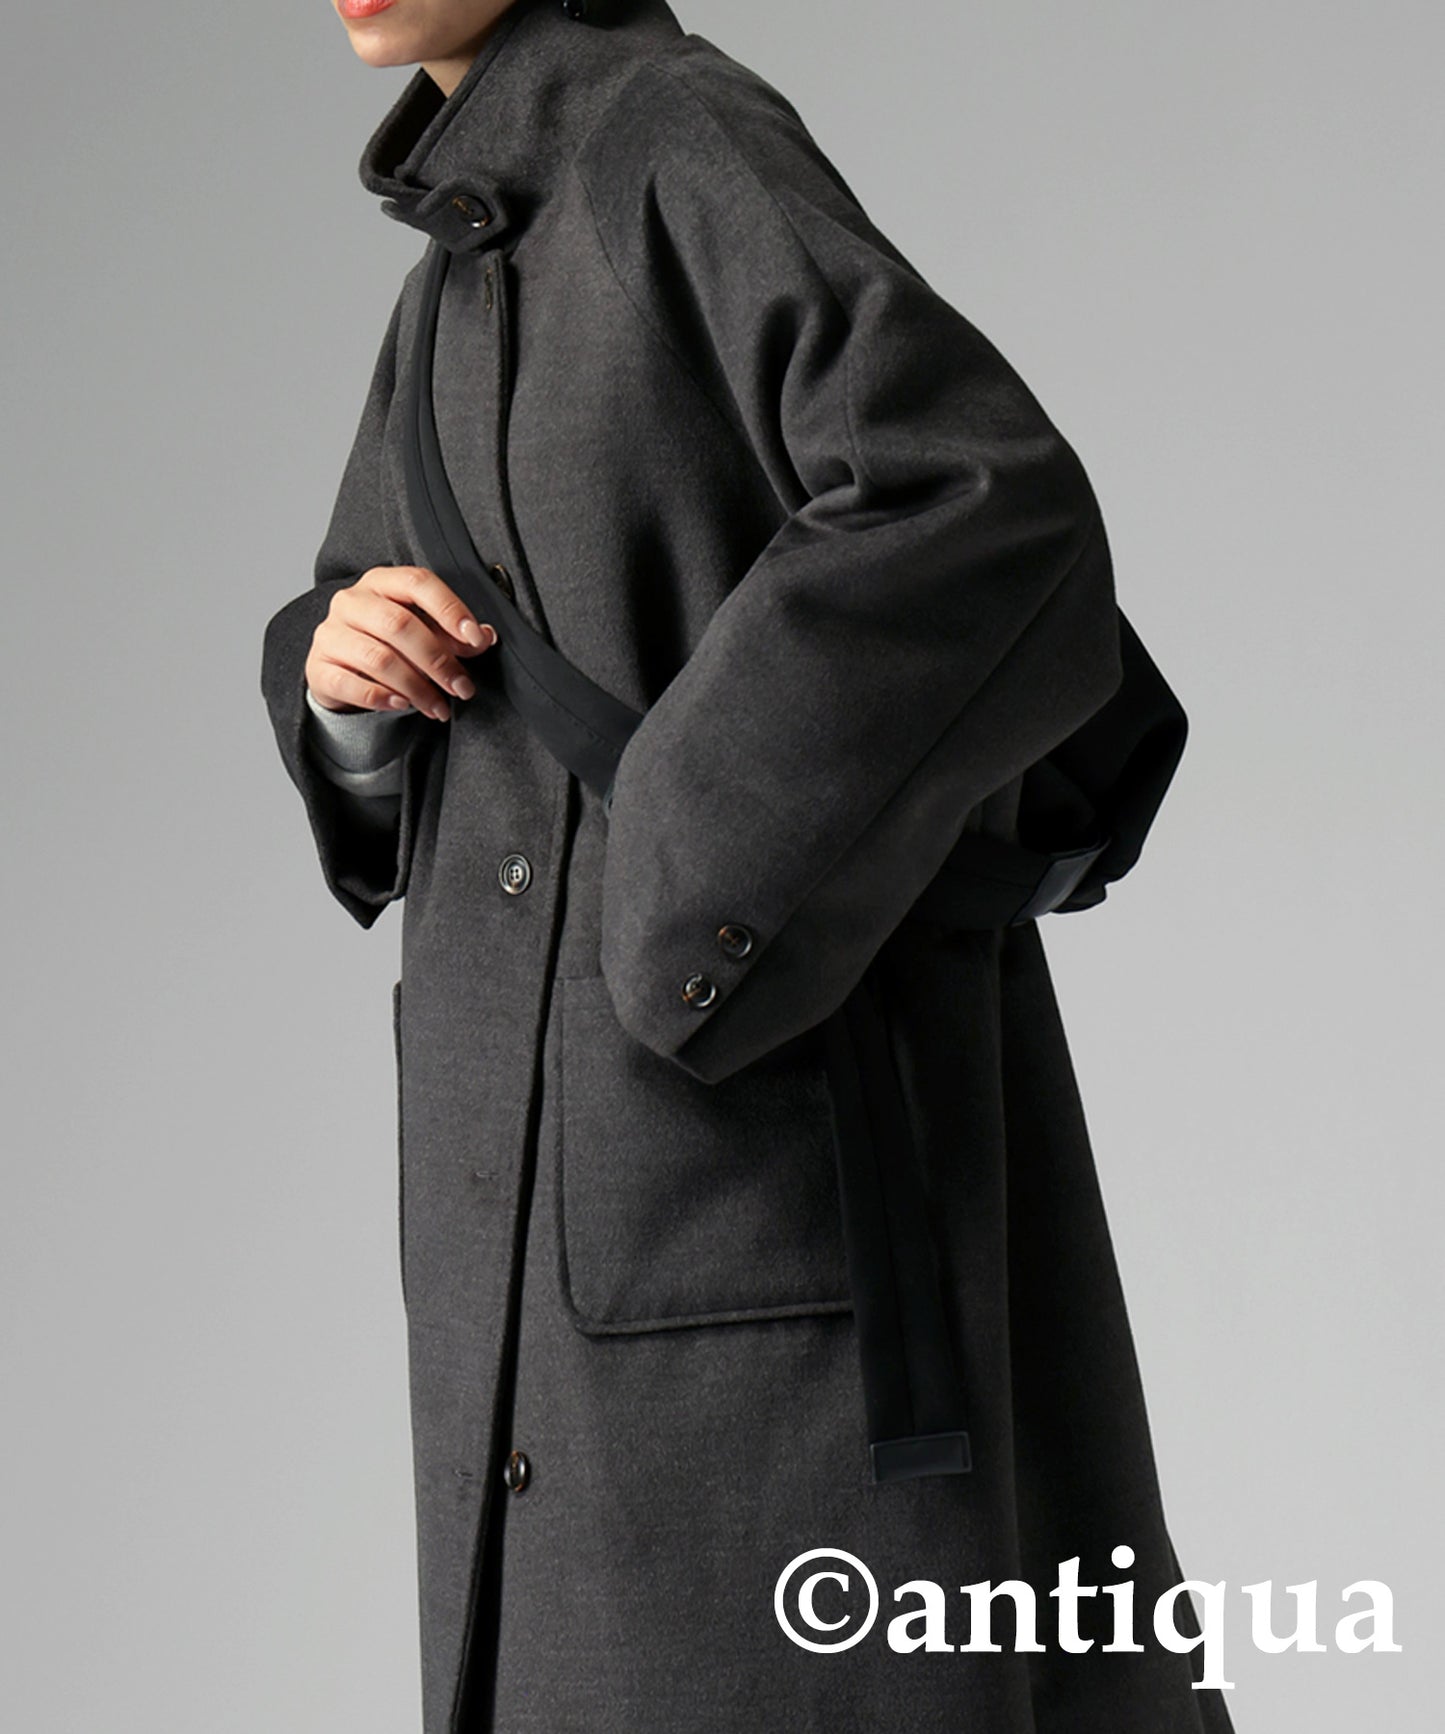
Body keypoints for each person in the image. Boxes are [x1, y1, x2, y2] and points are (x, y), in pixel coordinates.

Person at [259, 2, 1237, 1729]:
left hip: (748, 1206)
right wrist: (340, 677)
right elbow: (371, 603)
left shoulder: (672, 139)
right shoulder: (460, 266)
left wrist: (681, 898)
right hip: (543, 1244)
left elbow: (976, 495)